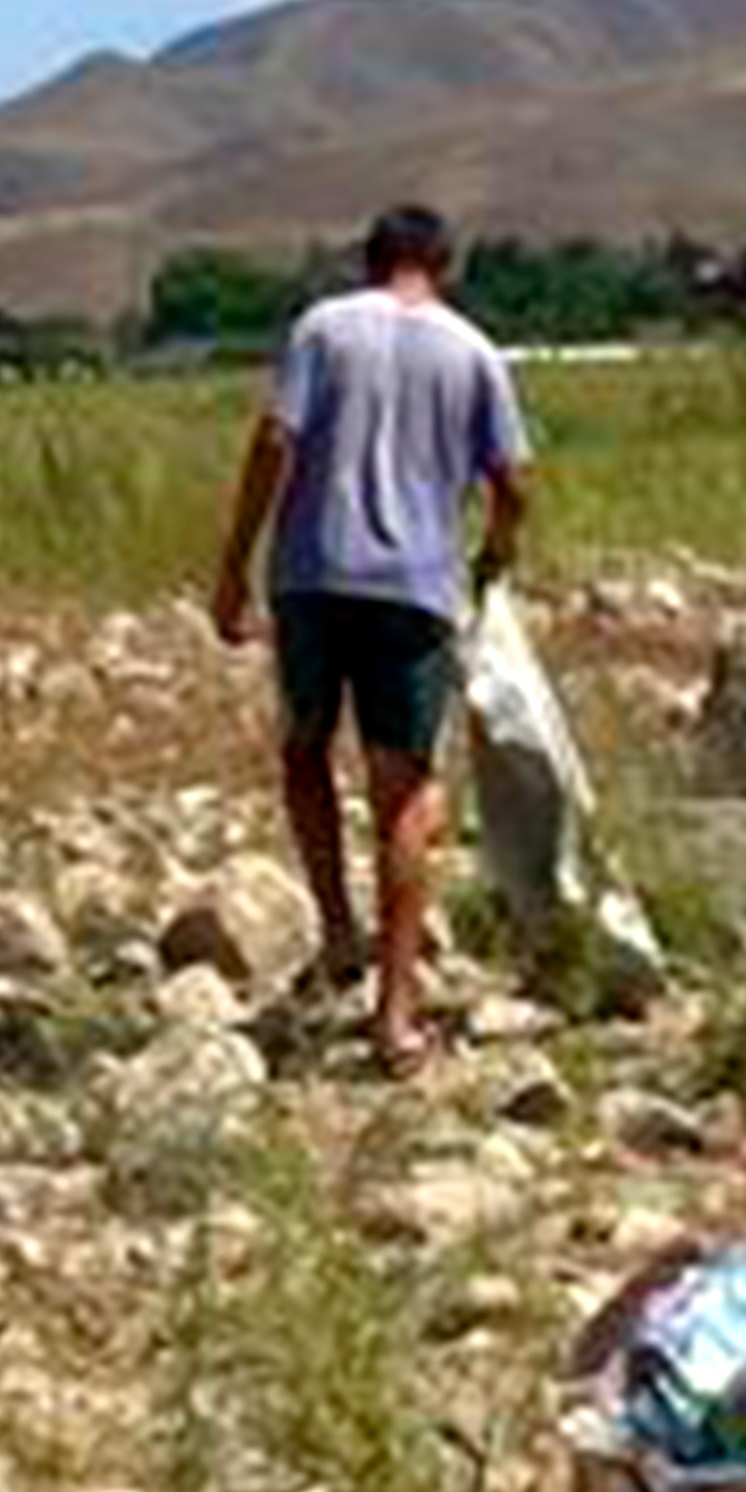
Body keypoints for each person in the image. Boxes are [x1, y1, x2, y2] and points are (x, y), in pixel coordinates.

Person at [210, 205, 535, 1068]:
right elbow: (514, 483)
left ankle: (338, 930)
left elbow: (274, 441)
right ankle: (394, 1015)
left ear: (371, 261)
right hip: (415, 593)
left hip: (311, 578)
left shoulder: (322, 328)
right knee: (404, 794)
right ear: (444, 266)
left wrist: (234, 561)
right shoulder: (473, 351)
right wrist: (493, 556)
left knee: (304, 751)